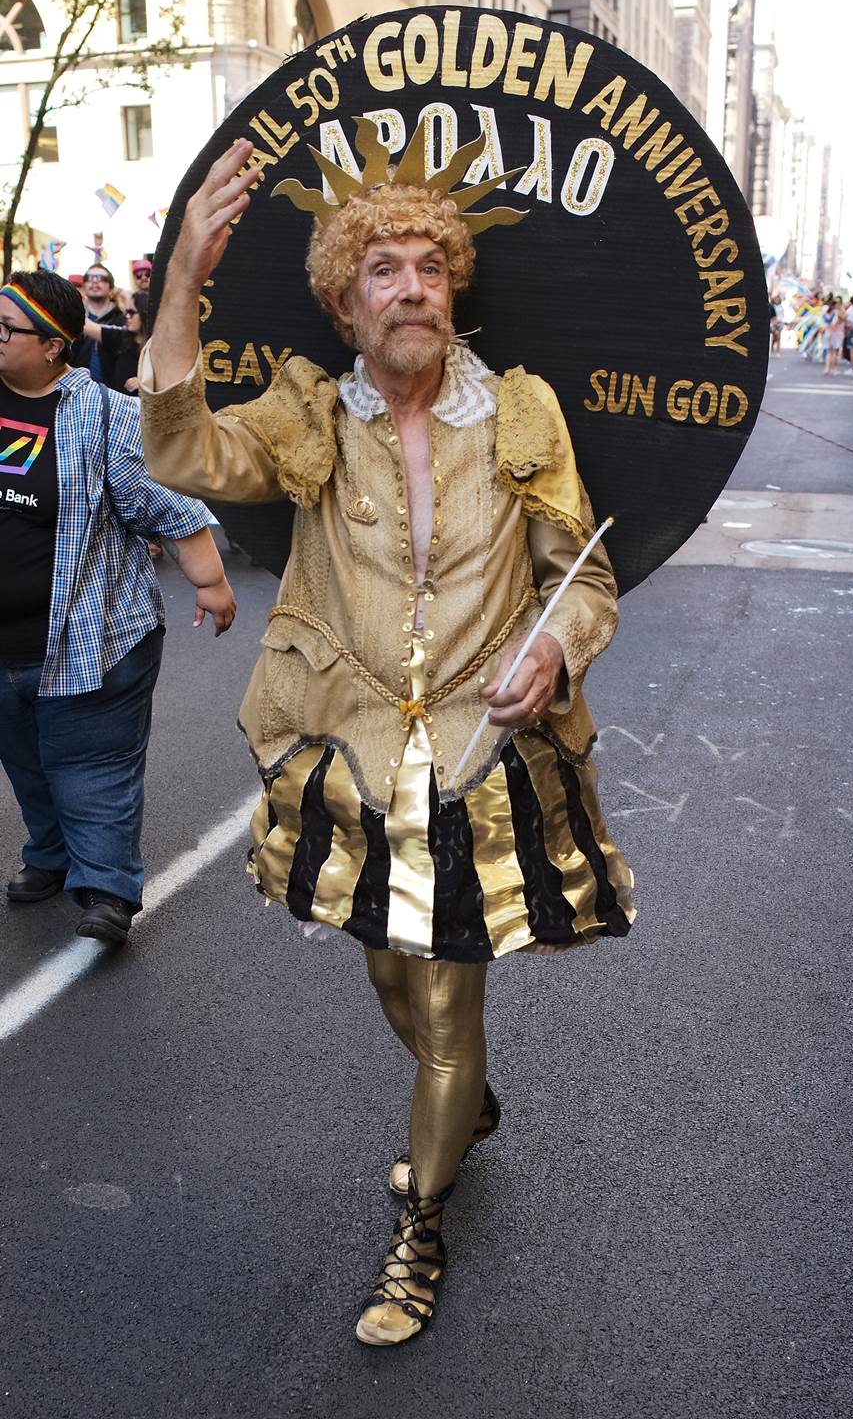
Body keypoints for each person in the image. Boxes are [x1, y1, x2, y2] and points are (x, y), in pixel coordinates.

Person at [140, 135, 635, 1346]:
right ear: (344, 301)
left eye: (430, 267)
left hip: (482, 758)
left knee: (451, 1013)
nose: (411, 288)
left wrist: (555, 647)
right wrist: (184, 277)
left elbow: (587, 574)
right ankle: (456, 1103)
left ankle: (420, 1230)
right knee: (387, 976)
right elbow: (177, 448)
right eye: (384, 272)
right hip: (353, 761)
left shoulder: (519, 414)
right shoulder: (315, 419)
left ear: (454, 285)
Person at [0, 270, 237, 943]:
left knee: (91, 767)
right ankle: (48, 855)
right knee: (25, 761)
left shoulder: (105, 415)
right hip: (4, 650)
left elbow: (168, 504)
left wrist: (213, 584)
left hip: (94, 637)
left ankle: (104, 888)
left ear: (52, 346)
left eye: (5, 330)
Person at [83, 290, 150, 394]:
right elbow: (86, 325)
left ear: (144, 314)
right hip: (121, 403)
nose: (127, 316)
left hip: (146, 405)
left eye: (132, 313)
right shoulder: (121, 336)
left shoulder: (157, 345)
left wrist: (144, 382)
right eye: (126, 312)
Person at [72, 264, 124, 386]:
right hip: (76, 390)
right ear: (84, 287)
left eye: (101, 278)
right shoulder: (72, 315)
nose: (94, 281)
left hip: (113, 392)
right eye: (89, 278)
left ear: (111, 288)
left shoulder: (123, 319)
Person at [823, 297, 846, 375]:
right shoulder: (836, 312)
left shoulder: (826, 312)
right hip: (836, 333)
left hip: (827, 332)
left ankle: (827, 368)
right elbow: (843, 319)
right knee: (834, 352)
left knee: (829, 352)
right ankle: (833, 369)